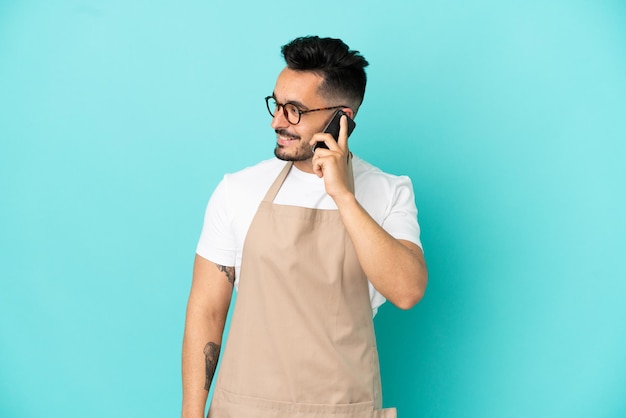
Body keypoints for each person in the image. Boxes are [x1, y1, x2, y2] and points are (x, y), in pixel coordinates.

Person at [181, 35, 428, 418]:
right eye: (277, 105)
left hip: (344, 409)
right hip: (244, 409)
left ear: (341, 118)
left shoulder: (388, 191)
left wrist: (344, 196)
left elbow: (407, 291)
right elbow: (207, 310)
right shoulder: (238, 190)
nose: (277, 121)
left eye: (294, 110)